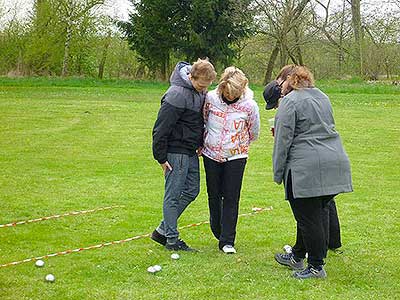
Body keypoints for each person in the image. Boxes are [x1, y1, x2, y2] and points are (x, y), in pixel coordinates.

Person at [271, 66, 352, 279]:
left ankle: (316, 266)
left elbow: (282, 140)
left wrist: (278, 172)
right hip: (334, 160)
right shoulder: (323, 97)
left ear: (289, 81)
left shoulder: (290, 102)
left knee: (308, 217)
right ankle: (298, 255)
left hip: (306, 167)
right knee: (317, 211)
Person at [151, 59, 217, 251]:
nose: (204, 89)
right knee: (172, 195)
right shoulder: (176, 94)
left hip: (190, 150)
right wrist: (161, 158)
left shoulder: (199, 91)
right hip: (175, 151)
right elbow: (160, 128)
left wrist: (198, 143)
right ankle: (171, 239)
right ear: (191, 76)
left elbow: (195, 122)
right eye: (201, 85)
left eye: (207, 86)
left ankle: (162, 230)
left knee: (191, 190)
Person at [202, 67, 260, 254]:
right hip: (210, 154)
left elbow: (254, 131)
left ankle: (227, 240)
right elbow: (203, 120)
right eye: (226, 93)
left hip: (236, 156)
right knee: (214, 194)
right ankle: (217, 229)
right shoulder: (210, 99)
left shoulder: (250, 106)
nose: (229, 97)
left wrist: (237, 145)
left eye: (233, 94)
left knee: (231, 196)